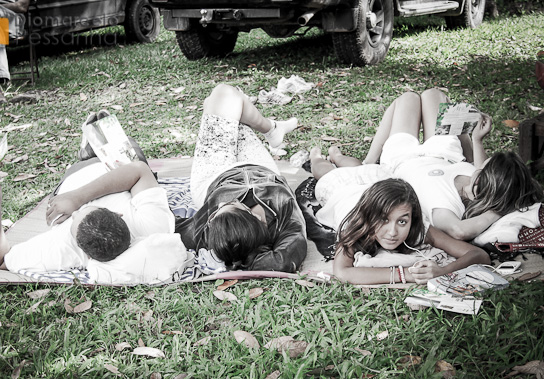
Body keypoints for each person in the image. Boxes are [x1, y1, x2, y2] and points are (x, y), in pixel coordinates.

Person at [310, 88, 543, 241]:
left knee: (407, 99)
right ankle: (357, 160)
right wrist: (477, 140)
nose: (480, 164)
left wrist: (499, 209)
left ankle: (363, 161)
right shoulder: (478, 179)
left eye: (485, 165)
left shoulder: (444, 203)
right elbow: (480, 169)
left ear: (484, 180)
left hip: (404, 158)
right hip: (444, 153)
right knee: (434, 94)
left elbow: (459, 231)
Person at [0, 119, 175, 276]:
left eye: (74, 220)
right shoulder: (154, 226)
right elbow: (139, 170)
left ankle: (87, 150)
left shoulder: (63, 248)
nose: (74, 213)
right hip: (118, 171)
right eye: (82, 211)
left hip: (78, 173)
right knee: (133, 151)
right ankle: (99, 139)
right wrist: (77, 199)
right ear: (118, 214)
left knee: (93, 152)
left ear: (85, 254)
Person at [175, 84, 306, 272]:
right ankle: (271, 129)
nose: (220, 204)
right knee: (226, 100)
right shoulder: (285, 212)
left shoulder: (210, 231)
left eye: (216, 213)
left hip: (213, 175)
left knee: (221, 99)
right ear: (255, 217)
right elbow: (282, 261)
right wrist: (247, 256)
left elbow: (167, 224)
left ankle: (272, 128)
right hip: (260, 167)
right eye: (232, 204)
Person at [332, 179, 489, 285]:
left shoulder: (420, 229)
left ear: (412, 220)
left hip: (376, 184)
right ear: (369, 216)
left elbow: (479, 255)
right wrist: (405, 274)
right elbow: (342, 272)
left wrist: (443, 271)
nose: (392, 232)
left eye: (402, 222)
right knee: (330, 170)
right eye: (383, 220)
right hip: (342, 190)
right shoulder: (355, 227)